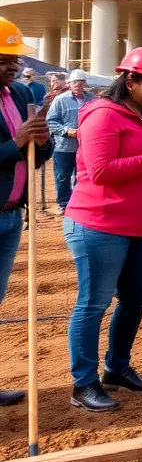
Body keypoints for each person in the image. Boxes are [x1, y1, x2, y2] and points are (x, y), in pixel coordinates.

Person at [63, 48, 142, 412]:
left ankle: (116, 368)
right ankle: (83, 384)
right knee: (93, 303)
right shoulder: (103, 115)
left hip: (140, 228)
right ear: (130, 81)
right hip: (99, 223)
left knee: (135, 298)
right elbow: (101, 172)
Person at [0, 20, 51, 406]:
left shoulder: (19, 93)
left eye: (16, 59)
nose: (13, 67)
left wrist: (42, 142)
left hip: (12, 215)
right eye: (4, 59)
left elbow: (32, 157)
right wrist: (16, 142)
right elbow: (15, 147)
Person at [46, 69, 93, 214]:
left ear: (85, 84)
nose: (78, 85)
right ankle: (63, 203)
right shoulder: (60, 100)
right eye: (75, 83)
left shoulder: (91, 100)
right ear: (69, 84)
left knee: (82, 176)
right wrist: (67, 131)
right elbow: (50, 121)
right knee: (62, 176)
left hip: (85, 147)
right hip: (64, 147)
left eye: (81, 82)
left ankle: (78, 203)